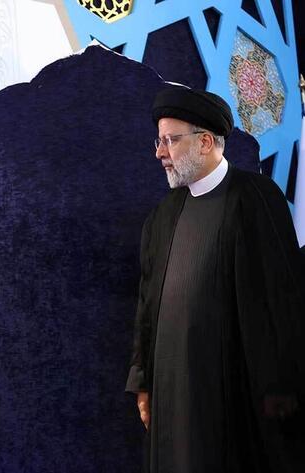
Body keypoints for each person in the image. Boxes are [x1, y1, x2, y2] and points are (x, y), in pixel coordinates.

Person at [126, 86, 305, 472]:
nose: (160, 153)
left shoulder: (255, 198)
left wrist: (283, 392)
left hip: (234, 398)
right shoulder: (162, 216)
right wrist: (142, 381)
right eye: (159, 141)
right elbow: (147, 305)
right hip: (170, 396)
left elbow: (282, 306)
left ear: (205, 142)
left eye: (171, 140)